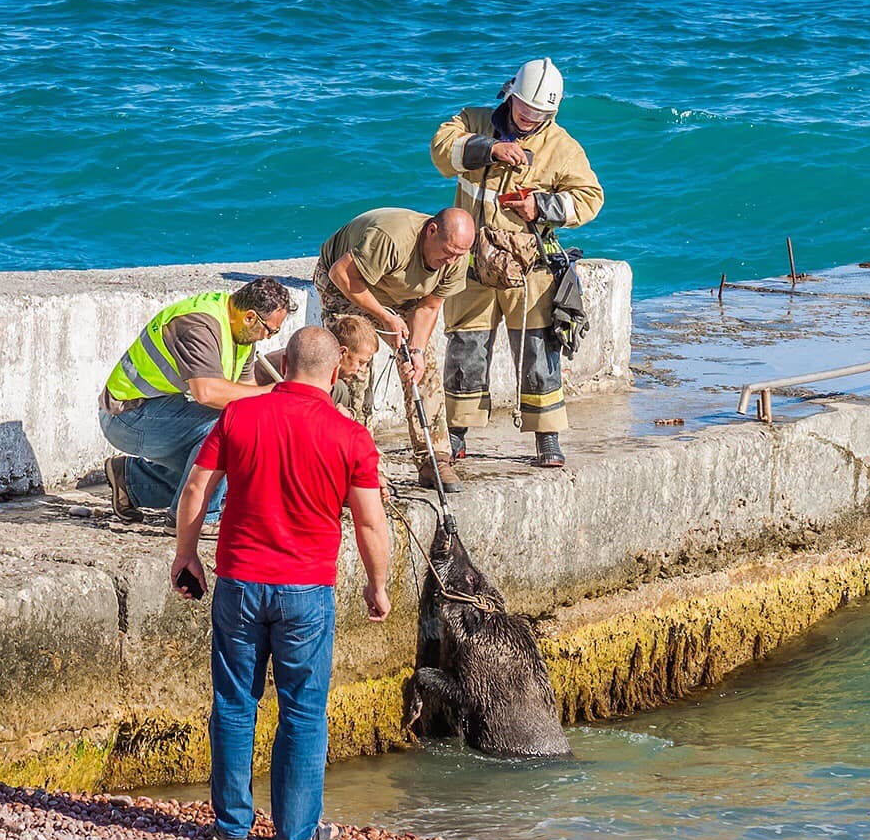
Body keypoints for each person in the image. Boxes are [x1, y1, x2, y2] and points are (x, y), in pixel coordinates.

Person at [171, 325, 392, 840]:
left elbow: (198, 487)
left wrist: (186, 554)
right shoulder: (350, 436)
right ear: (335, 371)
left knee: (233, 702)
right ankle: (296, 831)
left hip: (240, 583)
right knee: (302, 710)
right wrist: (377, 586)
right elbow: (369, 523)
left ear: (283, 364)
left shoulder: (240, 415)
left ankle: (231, 826)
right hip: (306, 591)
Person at [430, 57, 603, 469]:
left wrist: (541, 205)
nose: (529, 117)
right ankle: (456, 433)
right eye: (524, 107)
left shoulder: (563, 148)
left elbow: (590, 198)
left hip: (529, 268)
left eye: (540, 112)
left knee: (538, 349)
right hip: (471, 262)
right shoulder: (472, 121)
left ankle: (546, 437)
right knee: (466, 347)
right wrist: (490, 148)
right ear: (510, 94)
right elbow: (441, 150)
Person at [99, 277, 292, 523]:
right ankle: (195, 518)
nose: (268, 338)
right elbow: (207, 392)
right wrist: (274, 392)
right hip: (126, 415)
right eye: (270, 330)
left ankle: (131, 480)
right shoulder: (198, 326)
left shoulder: (242, 334)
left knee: (238, 473)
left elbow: (247, 398)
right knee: (229, 428)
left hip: (161, 410)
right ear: (251, 317)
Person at [313, 207, 474, 490]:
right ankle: (360, 466)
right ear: (431, 231)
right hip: (345, 282)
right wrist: (386, 317)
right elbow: (342, 273)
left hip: (397, 293)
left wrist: (417, 350)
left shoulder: (457, 257)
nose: (451, 260)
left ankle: (433, 459)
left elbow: (430, 306)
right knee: (356, 364)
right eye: (448, 251)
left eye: (458, 255)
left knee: (422, 367)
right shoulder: (392, 238)